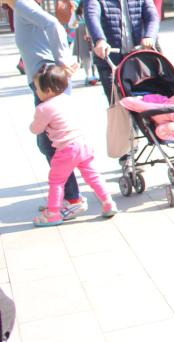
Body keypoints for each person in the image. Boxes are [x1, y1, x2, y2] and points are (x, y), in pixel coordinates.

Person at [0, 0, 86, 219]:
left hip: (48, 84)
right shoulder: (19, 6)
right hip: (42, 83)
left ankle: (72, 199)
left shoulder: (22, 4)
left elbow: (54, 25)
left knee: (52, 143)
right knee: (49, 142)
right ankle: (65, 196)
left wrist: (62, 59)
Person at [30, 64, 118, 226]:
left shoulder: (43, 108)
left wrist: (33, 124)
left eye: (37, 88)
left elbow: (36, 129)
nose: (36, 91)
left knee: (56, 181)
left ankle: (53, 214)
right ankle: (108, 203)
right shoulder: (67, 99)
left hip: (66, 149)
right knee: (93, 176)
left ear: (48, 90)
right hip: (83, 144)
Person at [82, 0, 160, 101]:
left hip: (138, 58)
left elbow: (152, 15)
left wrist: (149, 36)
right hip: (110, 60)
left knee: (145, 105)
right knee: (118, 105)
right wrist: (99, 40)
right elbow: (91, 15)